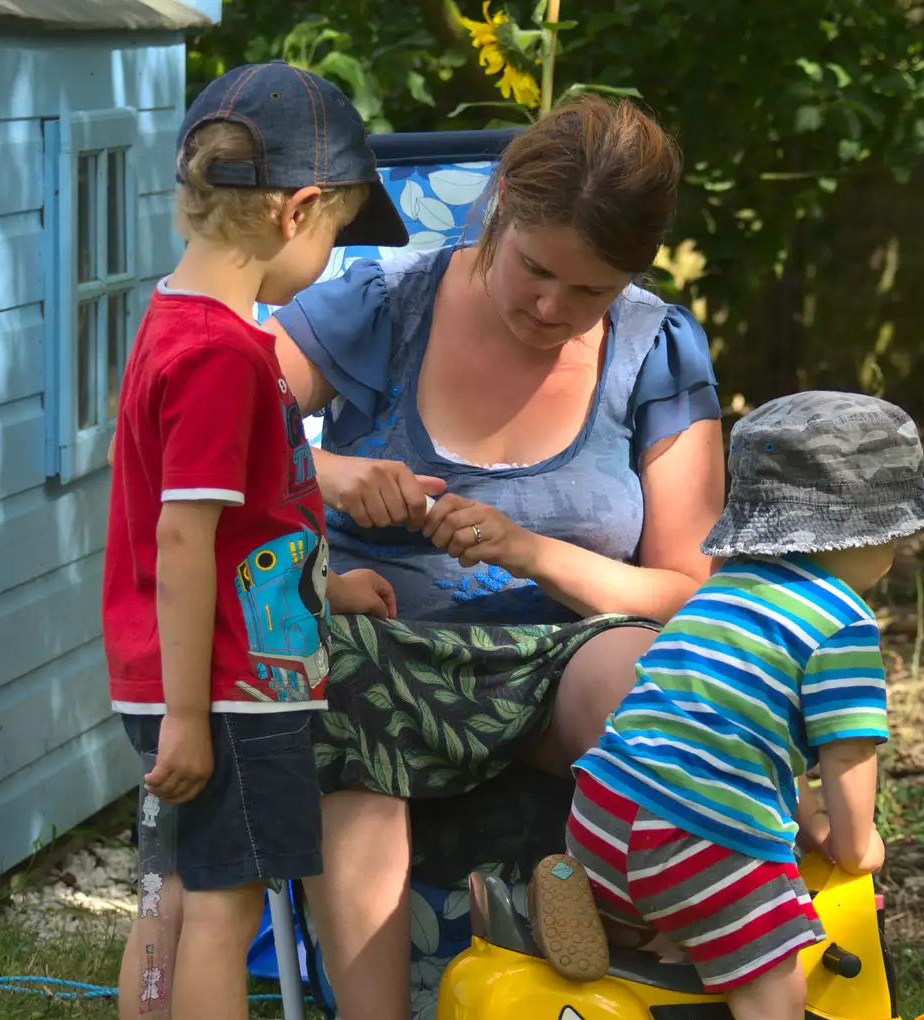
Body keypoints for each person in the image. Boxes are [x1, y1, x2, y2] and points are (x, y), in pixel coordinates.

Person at [263, 94, 726, 1016]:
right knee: (331, 679)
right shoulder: (382, 308)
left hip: (566, 660)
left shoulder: (654, 350)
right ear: (502, 203)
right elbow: (198, 436)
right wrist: (328, 471)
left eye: (592, 291)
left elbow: (690, 593)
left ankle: (635, 970)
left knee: (658, 677)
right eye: (537, 271)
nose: (554, 308)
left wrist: (532, 551)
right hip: (388, 653)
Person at [101, 62, 411, 1020]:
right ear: (297, 210)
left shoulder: (172, 320)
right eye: (335, 235)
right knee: (226, 913)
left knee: (171, 889)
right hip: (227, 692)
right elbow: (187, 543)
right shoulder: (225, 357)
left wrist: (329, 588)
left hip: (185, 673)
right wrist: (192, 715)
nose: (331, 263)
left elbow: (247, 525)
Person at [536, 391, 924, 1018]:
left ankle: (603, 910)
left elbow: (759, 739)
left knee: (682, 915)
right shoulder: (841, 624)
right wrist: (854, 843)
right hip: (695, 836)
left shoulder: (721, 593)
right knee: (775, 984)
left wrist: (807, 823)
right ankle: (695, 945)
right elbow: (848, 753)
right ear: (865, 536)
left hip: (601, 804)